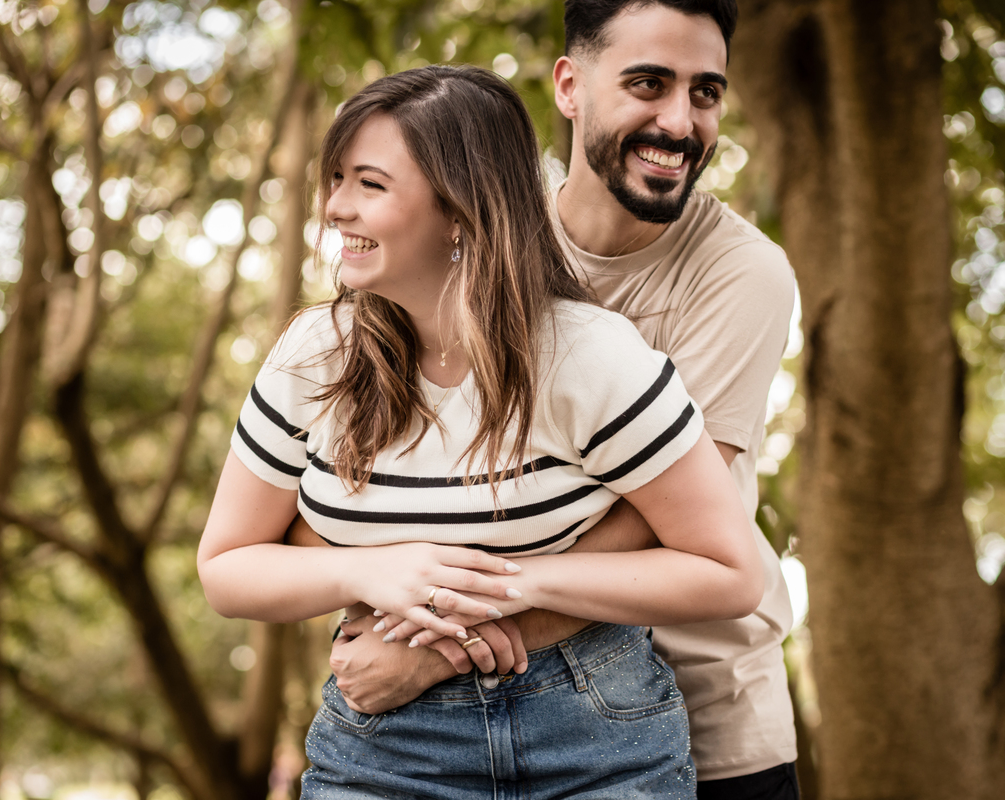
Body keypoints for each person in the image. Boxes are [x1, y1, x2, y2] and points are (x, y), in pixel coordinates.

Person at [197, 64, 766, 798]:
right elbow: (227, 564)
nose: (336, 206)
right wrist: (366, 572)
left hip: (594, 734)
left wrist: (505, 592)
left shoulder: (587, 355)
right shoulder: (314, 356)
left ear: (461, 210)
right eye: (336, 179)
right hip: (385, 739)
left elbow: (729, 570)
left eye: (370, 184)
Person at [318, 2, 801, 798]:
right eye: (648, 84)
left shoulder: (741, 272)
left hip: (701, 713)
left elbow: (656, 512)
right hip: (460, 720)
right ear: (570, 87)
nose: (679, 122)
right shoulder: (482, 230)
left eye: (705, 93)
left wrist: (436, 649)